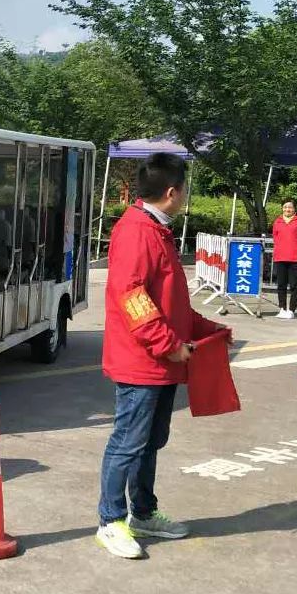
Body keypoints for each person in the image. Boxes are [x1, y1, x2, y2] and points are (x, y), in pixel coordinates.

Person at [98, 153, 229, 560]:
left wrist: (208, 330)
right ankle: (110, 521)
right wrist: (168, 345)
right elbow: (132, 297)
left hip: (161, 364)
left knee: (150, 442)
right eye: (185, 190)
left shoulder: (157, 230)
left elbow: (172, 303)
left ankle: (144, 513)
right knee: (129, 443)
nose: (186, 196)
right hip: (143, 362)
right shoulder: (137, 232)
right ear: (172, 192)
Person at [272, 199, 297, 319]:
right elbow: (275, 237)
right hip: (280, 257)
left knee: (294, 285)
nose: (287, 209)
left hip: (295, 257)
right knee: (281, 285)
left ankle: (292, 310)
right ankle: (282, 308)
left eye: (290, 207)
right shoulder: (277, 221)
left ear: (294, 209)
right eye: (285, 207)